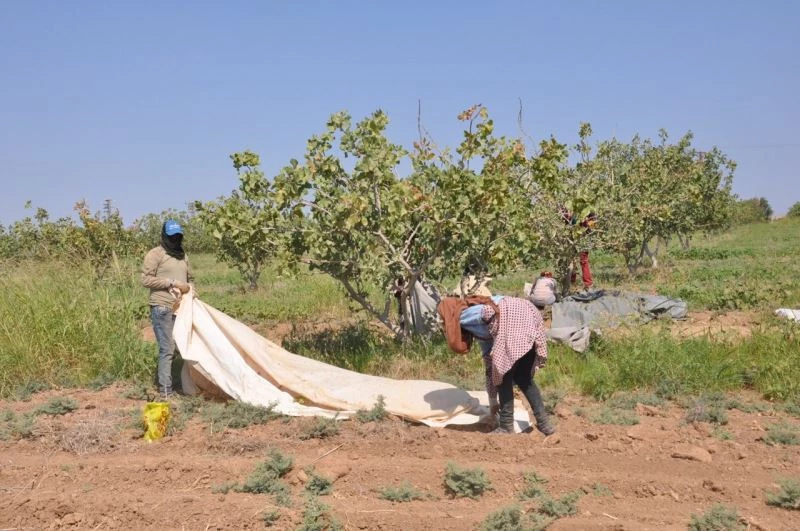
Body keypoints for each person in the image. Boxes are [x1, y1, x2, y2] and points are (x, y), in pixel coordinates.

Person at [448, 296, 555, 435]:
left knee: (502, 374)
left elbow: (490, 366)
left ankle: (506, 426)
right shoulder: (486, 311)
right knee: (524, 378)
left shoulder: (463, 318)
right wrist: (493, 402)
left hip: (513, 320)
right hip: (530, 316)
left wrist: (493, 402)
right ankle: (545, 424)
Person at [141, 219, 192, 398]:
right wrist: (171, 283)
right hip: (162, 306)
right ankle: (165, 390)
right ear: (164, 235)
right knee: (167, 348)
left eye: (178, 236)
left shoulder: (182, 255)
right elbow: (145, 279)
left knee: (182, 345)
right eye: (172, 236)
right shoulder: (156, 254)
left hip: (182, 309)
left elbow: (190, 278)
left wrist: (192, 290)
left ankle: (175, 381)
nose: (175, 239)